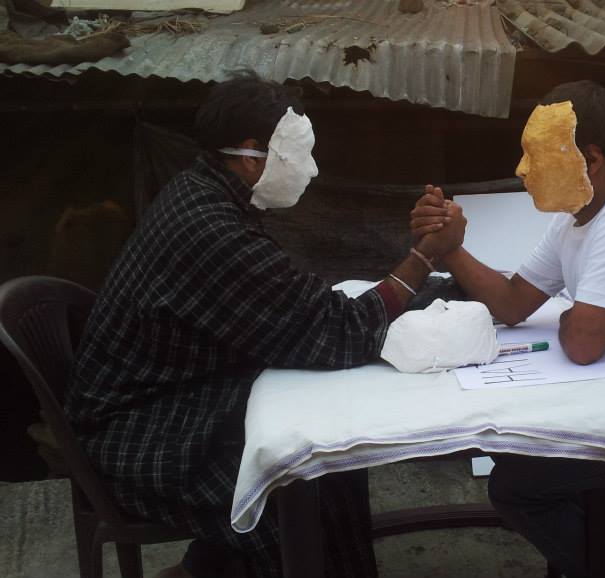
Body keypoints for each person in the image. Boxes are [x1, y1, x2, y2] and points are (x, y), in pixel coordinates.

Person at [65, 76, 465, 578]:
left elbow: (291, 305)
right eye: (302, 154)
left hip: (161, 398)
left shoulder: (203, 191)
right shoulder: (210, 230)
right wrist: (426, 255)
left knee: (330, 451)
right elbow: (338, 331)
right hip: (140, 435)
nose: (313, 169)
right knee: (303, 471)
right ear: (252, 154)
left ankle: (212, 567)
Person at [411, 80, 605, 578]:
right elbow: (515, 303)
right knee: (516, 451)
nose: (522, 169)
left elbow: (583, 345)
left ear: (593, 158)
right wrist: (449, 247)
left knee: (518, 487)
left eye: (536, 155)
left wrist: (573, 318)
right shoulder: (576, 217)